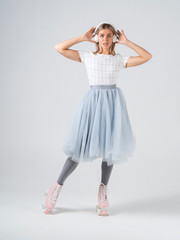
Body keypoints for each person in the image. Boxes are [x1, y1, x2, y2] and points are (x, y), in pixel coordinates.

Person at [42, 22, 152, 216]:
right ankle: (56, 187)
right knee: (78, 149)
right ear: (97, 38)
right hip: (93, 105)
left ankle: (103, 191)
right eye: (102, 35)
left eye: (109, 35)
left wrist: (127, 42)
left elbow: (147, 56)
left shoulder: (119, 59)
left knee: (110, 150)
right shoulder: (88, 57)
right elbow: (59, 48)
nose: (105, 39)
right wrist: (82, 38)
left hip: (112, 106)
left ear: (114, 38)